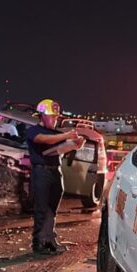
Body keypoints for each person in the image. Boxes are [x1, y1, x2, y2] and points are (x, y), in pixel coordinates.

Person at [25, 99, 84, 255]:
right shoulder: (34, 131)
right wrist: (66, 136)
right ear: (42, 116)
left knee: (51, 210)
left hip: (55, 171)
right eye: (52, 116)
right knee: (41, 209)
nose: (55, 119)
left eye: (56, 117)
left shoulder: (57, 134)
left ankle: (49, 240)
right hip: (41, 172)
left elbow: (63, 147)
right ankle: (38, 242)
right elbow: (43, 140)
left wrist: (77, 143)